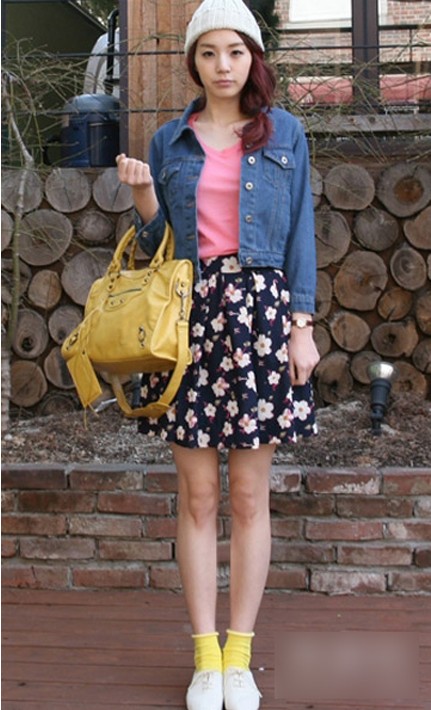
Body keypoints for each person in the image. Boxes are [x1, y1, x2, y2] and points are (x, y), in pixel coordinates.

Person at [117, 1, 320, 707]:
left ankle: (240, 658)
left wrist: (301, 324)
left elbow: (300, 233)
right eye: (208, 53)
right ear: (193, 62)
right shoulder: (169, 140)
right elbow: (158, 247)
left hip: (262, 316)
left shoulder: (284, 133)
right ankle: (205, 659)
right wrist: (145, 196)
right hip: (189, 319)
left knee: (249, 495)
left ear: (253, 58)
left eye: (235, 51)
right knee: (198, 496)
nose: (222, 65)